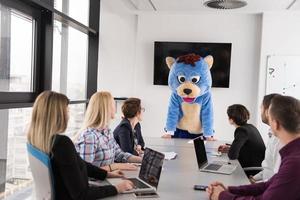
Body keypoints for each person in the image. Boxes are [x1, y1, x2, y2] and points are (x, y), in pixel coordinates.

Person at [27, 91, 133, 199]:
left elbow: (79, 164)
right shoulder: (62, 144)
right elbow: (81, 195)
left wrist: (106, 174)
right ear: (58, 115)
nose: (69, 115)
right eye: (67, 110)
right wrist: (116, 188)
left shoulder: (40, 141)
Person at [207, 95, 300, 200]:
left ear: (275, 124)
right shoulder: (292, 154)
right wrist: (230, 190)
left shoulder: (294, 162)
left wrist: (222, 196)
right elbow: (268, 185)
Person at [75, 91, 142, 172]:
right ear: (105, 108)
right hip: (96, 183)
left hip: (107, 177)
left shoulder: (107, 131)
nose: (115, 107)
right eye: (113, 104)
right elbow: (86, 171)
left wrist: (143, 160)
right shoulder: (89, 136)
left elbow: (119, 154)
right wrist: (114, 167)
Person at [218, 104, 266, 176]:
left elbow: (232, 155)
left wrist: (231, 150)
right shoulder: (251, 127)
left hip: (251, 171)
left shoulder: (241, 130)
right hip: (258, 167)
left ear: (232, 119)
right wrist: (230, 148)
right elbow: (247, 147)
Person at [250, 94, 282, 183]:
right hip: (264, 185)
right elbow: (268, 168)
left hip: (269, 190)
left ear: (268, 111)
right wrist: (253, 179)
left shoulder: (279, 140)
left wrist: (255, 185)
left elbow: (277, 178)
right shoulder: (271, 134)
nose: (260, 111)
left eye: (261, 108)